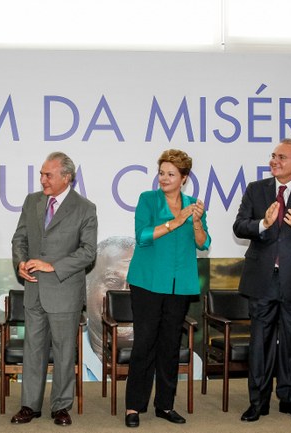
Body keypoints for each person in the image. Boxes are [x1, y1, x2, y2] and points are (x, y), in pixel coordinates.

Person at [233, 138, 291, 422]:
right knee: (260, 343)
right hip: (262, 279)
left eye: (282, 157)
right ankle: (257, 402)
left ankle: (290, 399)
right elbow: (239, 226)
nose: (274, 161)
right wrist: (263, 223)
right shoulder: (256, 189)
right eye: (273, 156)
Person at [122, 149, 210, 428]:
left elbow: (203, 243)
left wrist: (195, 221)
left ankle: (165, 405)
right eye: (161, 173)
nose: (163, 178)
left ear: (184, 178)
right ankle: (134, 406)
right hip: (147, 282)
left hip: (180, 283)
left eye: (170, 174)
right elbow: (143, 236)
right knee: (144, 343)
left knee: (171, 345)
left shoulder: (193, 204)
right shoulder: (148, 200)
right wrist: (176, 221)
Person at [10, 152, 98, 427]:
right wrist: (21, 262)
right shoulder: (32, 201)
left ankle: (61, 406)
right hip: (34, 290)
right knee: (33, 350)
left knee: (63, 353)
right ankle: (29, 406)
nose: (42, 179)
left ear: (66, 177)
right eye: (42, 174)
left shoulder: (85, 208)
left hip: (64, 291)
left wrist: (53, 266)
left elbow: (88, 253)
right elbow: (19, 238)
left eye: (48, 175)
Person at [84, 236, 135, 381]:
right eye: (112, 281)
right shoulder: (63, 359)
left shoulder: (190, 365)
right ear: (86, 289)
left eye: (136, 282)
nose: (126, 294)